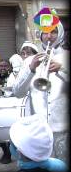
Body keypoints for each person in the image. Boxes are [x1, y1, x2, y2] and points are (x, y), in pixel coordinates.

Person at [12, 21, 69, 164]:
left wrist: (63, 69)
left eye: (54, 32)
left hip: (63, 129)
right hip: (38, 130)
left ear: (60, 33)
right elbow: (18, 92)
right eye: (45, 32)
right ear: (40, 34)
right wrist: (31, 69)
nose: (49, 36)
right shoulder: (30, 61)